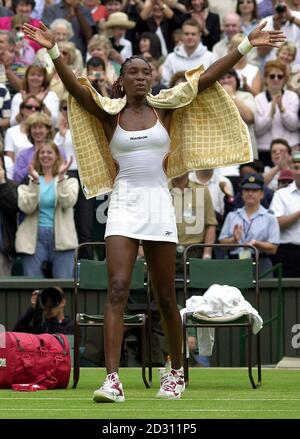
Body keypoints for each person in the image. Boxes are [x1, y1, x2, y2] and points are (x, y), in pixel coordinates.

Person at [23, 19, 285, 402]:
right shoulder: (109, 113)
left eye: (147, 71)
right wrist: (50, 51)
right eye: (134, 72)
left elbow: (209, 76)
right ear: (123, 78)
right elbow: (79, 91)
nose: (142, 77)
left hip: (160, 204)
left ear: (153, 77)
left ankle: (175, 370)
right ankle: (112, 381)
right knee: (116, 289)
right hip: (124, 204)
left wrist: (246, 45)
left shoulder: (168, 108)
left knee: (164, 295)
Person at [15, 141, 79, 278]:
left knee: (62, 285)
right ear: (37, 157)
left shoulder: (69, 181)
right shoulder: (28, 181)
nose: (45, 155)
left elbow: (68, 202)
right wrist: (36, 183)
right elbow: (26, 208)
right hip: (34, 239)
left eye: (49, 152)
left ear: (57, 156)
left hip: (62, 238)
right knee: (34, 288)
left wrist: (61, 178)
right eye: (42, 152)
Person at [219, 173, 280, 276]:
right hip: (236, 262)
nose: (250, 193)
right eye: (247, 190)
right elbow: (222, 244)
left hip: (260, 262)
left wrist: (256, 243)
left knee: (263, 292)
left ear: (262, 194)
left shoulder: (270, 217)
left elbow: (273, 248)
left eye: (255, 190)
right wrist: (234, 239)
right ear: (242, 193)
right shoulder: (232, 215)